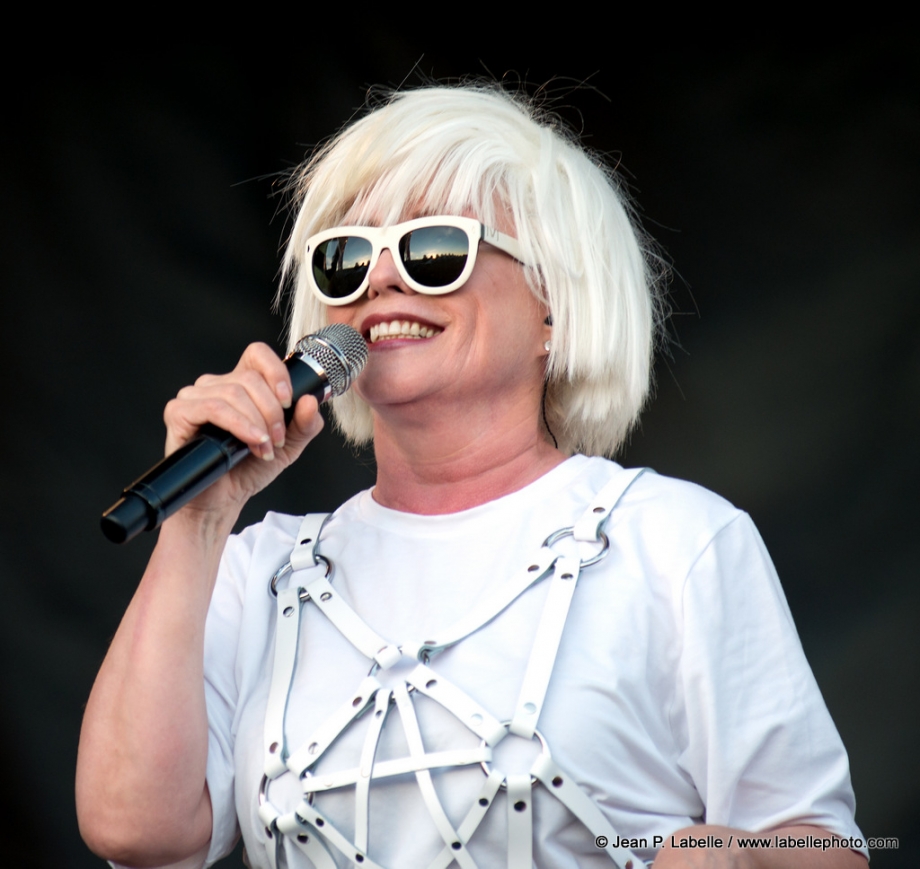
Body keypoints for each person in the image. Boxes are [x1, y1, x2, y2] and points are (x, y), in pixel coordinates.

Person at [76, 84, 868, 869]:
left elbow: (821, 847)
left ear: (555, 304)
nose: (382, 280)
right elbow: (135, 829)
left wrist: (731, 856)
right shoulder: (260, 568)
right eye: (346, 258)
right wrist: (197, 523)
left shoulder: (672, 541)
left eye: (432, 247)